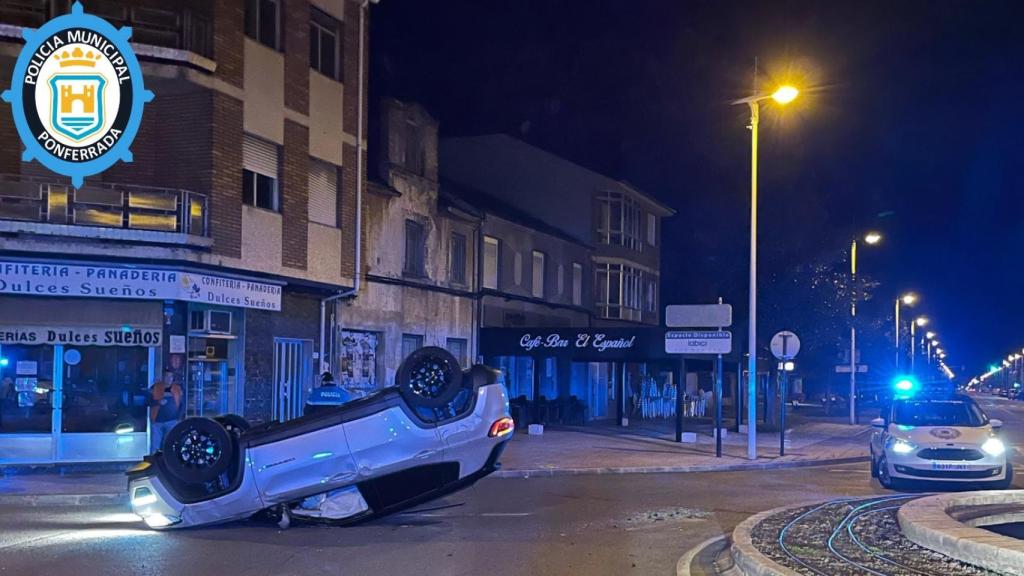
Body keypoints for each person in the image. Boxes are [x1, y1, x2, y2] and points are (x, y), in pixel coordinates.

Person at [149, 369, 184, 453]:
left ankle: (167, 463)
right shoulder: (155, 388)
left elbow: (182, 404)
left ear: (173, 378)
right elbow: (147, 401)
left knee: (170, 444)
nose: (169, 378)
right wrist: (158, 402)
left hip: (172, 422)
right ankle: (154, 463)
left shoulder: (178, 389)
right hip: (157, 422)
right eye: (167, 376)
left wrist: (180, 418)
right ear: (163, 377)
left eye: (171, 376)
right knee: (155, 446)